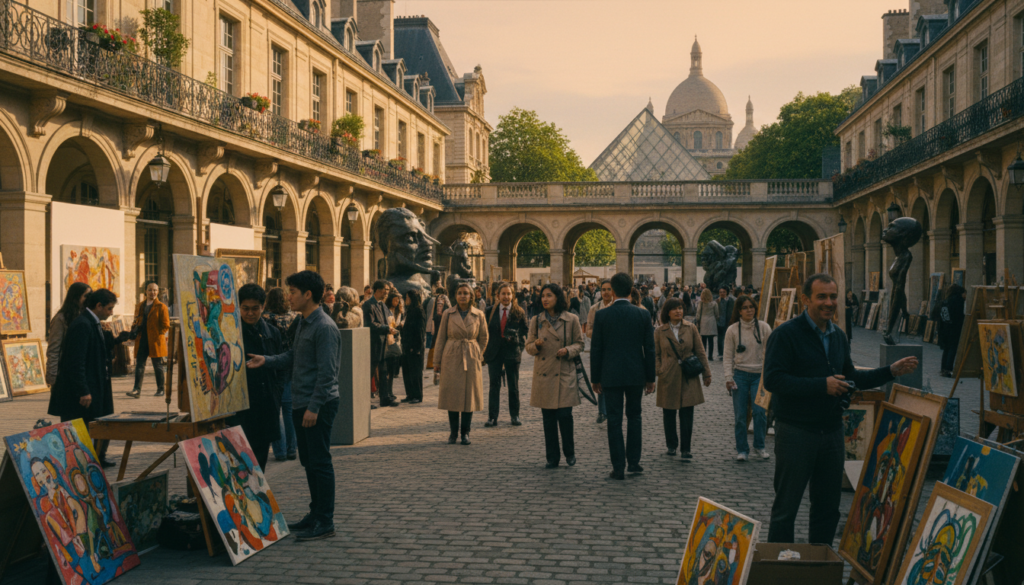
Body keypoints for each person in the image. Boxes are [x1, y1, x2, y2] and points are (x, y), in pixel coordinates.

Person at [764, 273, 919, 546]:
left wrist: (890, 371)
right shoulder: (786, 334)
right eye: (821, 296)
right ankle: (780, 566)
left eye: (833, 296)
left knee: (827, 509)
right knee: (785, 509)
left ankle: (820, 567)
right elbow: (773, 380)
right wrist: (820, 386)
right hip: (796, 432)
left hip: (832, 433)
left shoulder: (837, 336)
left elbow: (850, 377)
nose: (829, 302)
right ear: (805, 299)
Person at [246, 271, 341, 542]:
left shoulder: (324, 326)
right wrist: (267, 360)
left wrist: (314, 407)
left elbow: (327, 374)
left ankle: (325, 520)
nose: (289, 297)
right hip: (302, 402)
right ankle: (315, 513)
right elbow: (293, 356)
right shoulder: (303, 322)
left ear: (307, 294)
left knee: (320, 462)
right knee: (309, 461)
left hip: (317, 405)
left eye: (293, 292)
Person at [48, 289, 131, 467]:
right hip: (83, 390)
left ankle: (97, 457)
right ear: (98, 306)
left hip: (97, 384)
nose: (111, 313)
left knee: (101, 421)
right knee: (81, 427)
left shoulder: (93, 322)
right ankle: (82, 462)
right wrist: (83, 390)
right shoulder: (82, 324)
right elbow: (75, 362)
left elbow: (97, 350)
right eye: (109, 309)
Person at [590, 272, 656, 480]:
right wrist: (651, 377)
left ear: (614, 290)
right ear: (631, 290)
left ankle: (618, 467)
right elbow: (650, 349)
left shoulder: (602, 315)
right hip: (636, 374)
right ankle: (634, 462)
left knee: (614, 420)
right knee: (635, 417)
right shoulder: (643, 314)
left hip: (610, 375)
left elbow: (596, 350)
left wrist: (595, 378)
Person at [526, 283, 585, 468]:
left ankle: (570, 453)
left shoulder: (572, 319)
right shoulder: (536, 320)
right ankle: (552, 456)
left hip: (564, 374)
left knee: (565, 416)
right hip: (544, 375)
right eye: (543, 295)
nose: (544, 299)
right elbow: (527, 347)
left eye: (549, 295)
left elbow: (580, 344)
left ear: (558, 298)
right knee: (548, 419)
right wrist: (535, 345)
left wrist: (567, 350)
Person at [231, 284, 284, 469]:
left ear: (263, 307)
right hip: (240, 409)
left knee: (259, 463)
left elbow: (281, 366)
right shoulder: (231, 334)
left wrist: (276, 394)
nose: (250, 313)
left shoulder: (272, 333)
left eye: (255, 309)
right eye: (245, 308)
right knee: (239, 462)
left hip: (266, 406)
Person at [654, 298, 710, 460]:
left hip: (688, 375)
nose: (678, 311)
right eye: (674, 309)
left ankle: (686, 448)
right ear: (667, 312)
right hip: (668, 375)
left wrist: (707, 373)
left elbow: (700, 351)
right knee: (669, 412)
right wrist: (659, 370)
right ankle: (671, 445)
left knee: (687, 414)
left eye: (680, 308)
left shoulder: (691, 328)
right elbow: (656, 354)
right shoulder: (660, 331)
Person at [434, 282, 488, 445]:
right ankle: (453, 433)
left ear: (471, 296)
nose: (463, 296)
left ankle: (465, 432)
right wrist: (437, 361)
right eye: (459, 293)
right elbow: (441, 338)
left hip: (471, 355)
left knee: (469, 396)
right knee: (452, 395)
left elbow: (484, 337)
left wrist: (478, 352)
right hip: (451, 355)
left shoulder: (479, 314)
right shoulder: (448, 314)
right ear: (455, 296)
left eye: (466, 293)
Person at [723, 295, 772, 461]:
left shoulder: (764, 328)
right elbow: (728, 355)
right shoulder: (732, 330)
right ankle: (742, 449)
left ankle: (759, 446)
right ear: (739, 311)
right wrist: (728, 377)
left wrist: (768, 375)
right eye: (745, 307)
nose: (749, 310)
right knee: (740, 416)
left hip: (760, 376)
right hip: (740, 376)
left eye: (751, 307)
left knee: (760, 413)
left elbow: (770, 353)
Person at [482, 282, 528, 427]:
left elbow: (525, 332)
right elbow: (485, 332)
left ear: (512, 296)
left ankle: (515, 415)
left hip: (512, 353)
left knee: (513, 386)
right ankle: (492, 417)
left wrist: (519, 347)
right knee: (493, 386)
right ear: (498, 296)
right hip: (494, 354)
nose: (506, 297)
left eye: (509, 294)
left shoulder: (518, 311)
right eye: (503, 294)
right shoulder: (489, 311)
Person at [265, 287, 298, 461]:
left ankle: (280, 451)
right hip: (290, 364)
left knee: (274, 410)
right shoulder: (294, 317)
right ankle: (292, 448)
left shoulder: (265, 319)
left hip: (271, 364)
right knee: (288, 409)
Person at [125, 281, 171, 398]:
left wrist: (158, 334)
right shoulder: (140, 306)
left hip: (155, 340)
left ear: (158, 292)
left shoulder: (162, 307)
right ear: (146, 291)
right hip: (142, 339)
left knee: (157, 365)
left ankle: (160, 389)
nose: (152, 292)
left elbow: (166, 325)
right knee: (140, 364)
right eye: (150, 290)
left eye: (155, 290)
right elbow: (136, 319)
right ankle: (136, 390)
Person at [45, 282, 92, 386]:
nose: (88, 300)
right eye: (85, 296)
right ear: (75, 297)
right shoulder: (61, 319)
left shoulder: (86, 318)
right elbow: (54, 349)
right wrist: (52, 376)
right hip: (65, 372)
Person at [364, 280, 400, 407]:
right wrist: (386, 328)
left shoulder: (382, 305)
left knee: (384, 372)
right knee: (369, 373)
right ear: (378, 290)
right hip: (374, 343)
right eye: (385, 289)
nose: (387, 292)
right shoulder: (368, 305)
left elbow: (387, 319)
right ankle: (364, 401)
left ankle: (385, 398)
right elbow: (370, 324)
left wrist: (392, 327)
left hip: (384, 343)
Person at [586, 279, 615, 424]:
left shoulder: (617, 308)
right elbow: (588, 330)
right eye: (603, 289)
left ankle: (613, 410)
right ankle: (602, 411)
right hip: (599, 350)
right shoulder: (594, 309)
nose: (606, 292)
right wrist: (600, 334)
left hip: (614, 350)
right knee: (600, 380)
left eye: (609, 289)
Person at [400, 289, 427, 403]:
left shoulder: (418, 311)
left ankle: (417, 395)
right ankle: (410, 394)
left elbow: (420, 331)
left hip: (414, 347)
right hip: (406, 346)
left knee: (415, 372)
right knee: (407, 372)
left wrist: (417, 348)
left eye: (407, 298)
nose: (405, 300)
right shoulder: (408, 311)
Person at [937, 284, 966, 377]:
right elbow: (959, 316)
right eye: (964, 294)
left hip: (945, 328)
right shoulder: (958, 300)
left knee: (947, 349)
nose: (965, 296)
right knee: (953, 349)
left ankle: (943, 368)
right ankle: (949, 369)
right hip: (954, 328)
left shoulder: (945, 301)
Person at [385, 290, 405, 393]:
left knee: (393, 364)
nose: (396, 302)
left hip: (396, 339)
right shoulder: (387, 310)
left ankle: (390, 390)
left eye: (398, 300)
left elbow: (397, 324)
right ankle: (387, 390)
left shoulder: (398, 312)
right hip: (389, 340)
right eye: (395, 300)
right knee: (388, 367)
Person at [426, 287, 450, 371]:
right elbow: (449, 308)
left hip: (435, 319)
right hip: (442, 319)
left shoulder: (435, 298)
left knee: (434, 341)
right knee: (441, 340)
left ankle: (430, 362)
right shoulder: (444, 298)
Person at [695, 288, 719, 360]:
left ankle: (703, 354)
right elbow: (716, 314)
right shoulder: (714, 304)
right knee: (711, 340)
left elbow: (698, 314)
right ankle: (710, 356)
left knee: (703, 340)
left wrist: (697, 321)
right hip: (712, 322)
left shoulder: (701, 303)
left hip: (703, 322)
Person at [715, 286, 735, 360]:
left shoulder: (731, 300)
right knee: (720, 338)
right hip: (720, 323)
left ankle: (728, 353)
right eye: (720, 292)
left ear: (727, 292)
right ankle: (720, 353)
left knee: (729, 339)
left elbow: (732, 312)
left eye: (723, 292)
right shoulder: (717, 301)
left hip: (728, 322)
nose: (722, 293)